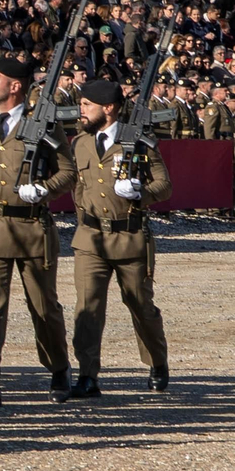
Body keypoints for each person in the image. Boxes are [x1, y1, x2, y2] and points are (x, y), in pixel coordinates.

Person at [0, 56, 75, 405]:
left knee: (44, 308)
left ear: (14, 86)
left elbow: (68, 172)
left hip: (30, 228)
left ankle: (58, 369)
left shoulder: (42, 125)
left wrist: (45, 190)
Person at [68, 79, 170, 396]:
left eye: (87, 105)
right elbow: (80, 188)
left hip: (129, 237)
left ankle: (157, 362)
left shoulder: (139, 142)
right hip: (90, 239)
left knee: (140, 305)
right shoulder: (80, 143)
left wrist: (140, 192)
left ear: (108, 108)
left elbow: (165, 186)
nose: (80, 110)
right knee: (88, 307)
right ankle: (88, 375)